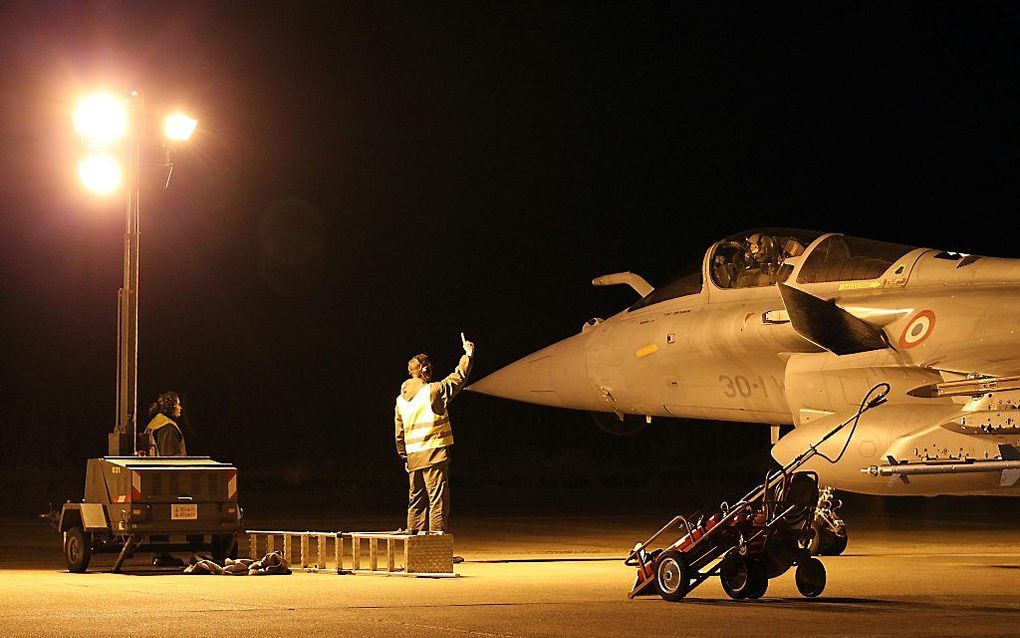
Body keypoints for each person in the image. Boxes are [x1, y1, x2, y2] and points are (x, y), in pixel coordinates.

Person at [394, 334, 475, 534]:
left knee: (416, 501)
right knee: (437, 499)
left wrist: (405, 457)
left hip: (414, 458)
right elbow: (457, 378)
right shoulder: (432, 391)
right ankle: (436, 546)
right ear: (424, 370)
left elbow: (399, 434)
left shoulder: (400, 400)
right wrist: (468, 355)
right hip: (434, 455)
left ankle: (414, 547)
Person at [144, 391, 187, 457]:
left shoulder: (156, 423)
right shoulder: (168, 428)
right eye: (178, 404)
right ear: (172, 406)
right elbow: (169, 459)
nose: (180, 408)